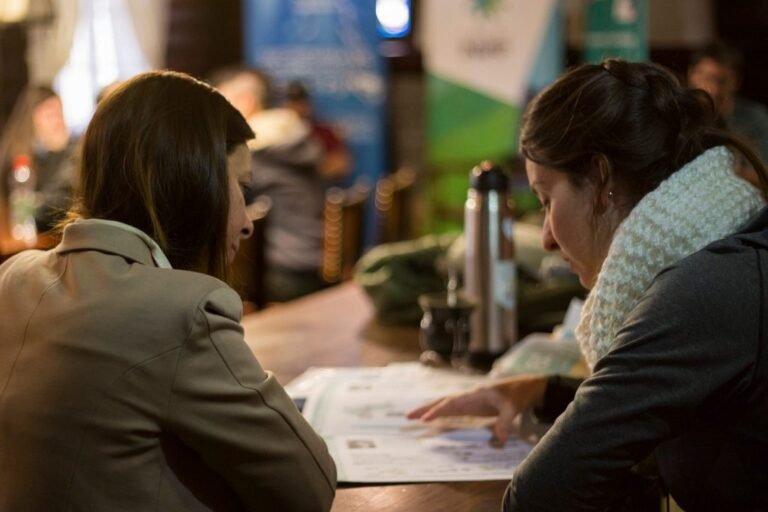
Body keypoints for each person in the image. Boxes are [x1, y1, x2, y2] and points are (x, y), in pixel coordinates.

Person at [408, 59, 768, 511]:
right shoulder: (731, 243)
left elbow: (538, 497)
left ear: (600, 178)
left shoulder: (698, 292)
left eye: (545, 199)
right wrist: (536, 391)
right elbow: (655, 397)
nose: (545, 237)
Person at [0, 71, 336, 511]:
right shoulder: (182, 309)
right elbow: (310, 487)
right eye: (241, 187)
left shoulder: (13, 279)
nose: (248, 220)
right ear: (196, 187)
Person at [209, 67, 330, 302]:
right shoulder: (292, 135)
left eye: (222, 102)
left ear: (245, 102)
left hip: (283, 268)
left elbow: (217, 203)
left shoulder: (255, 150)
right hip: (313, 256)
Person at [0, 85, 78, 234]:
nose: (58, 121)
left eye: (60, 114)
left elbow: (57, 200)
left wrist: (57, 152)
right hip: (18, 233)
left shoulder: (70, 150)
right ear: (31, 119)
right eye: (49, 115)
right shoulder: (15, 152)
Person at [687, 41, 768, 163]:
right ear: (691, 74)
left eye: (721, 81)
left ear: (736, 81)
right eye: (705, 78)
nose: (712, 89)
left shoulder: (756, 117)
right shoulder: (680, 115)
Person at [284, 80, 352, 181]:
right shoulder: (277, 133)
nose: (297, 108)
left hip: (317, 190)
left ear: (309, 104)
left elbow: (342, 164)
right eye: (293, 102)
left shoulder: (323, 131)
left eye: (301, 102)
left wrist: (312, 170)